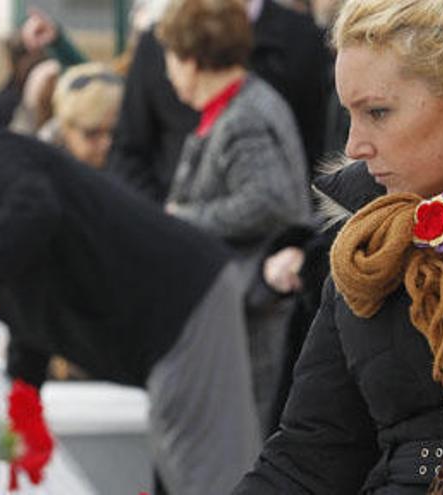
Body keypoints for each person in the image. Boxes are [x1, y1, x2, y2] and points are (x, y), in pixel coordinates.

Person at [0, 130, 261, 494]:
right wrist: (18, 411)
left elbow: (36, 208)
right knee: (185, 473)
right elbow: (33, 325)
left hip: (184, 305)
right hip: (168, 324)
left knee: (211, 479)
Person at [232, 0, 443, 493]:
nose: (353, 146)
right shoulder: (366, 254)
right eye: (350, 114)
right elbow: (310, 458)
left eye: (377, 112)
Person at [158, 0, 312, 437]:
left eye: (169, 57)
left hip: (258, 315)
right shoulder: (241, 104)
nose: (167, 70)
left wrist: (183, 217)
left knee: (246, 443)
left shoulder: (244, 117)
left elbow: (270, 201)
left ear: (191, 59)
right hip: (249, 309)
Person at [108, 0, 327, 202]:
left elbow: (267, 201)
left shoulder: (247, 113)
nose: (170, 75)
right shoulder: (157, 40)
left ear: (191, 63)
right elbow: (127, 151)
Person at [42, 62, 124, 169]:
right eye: (92, 133)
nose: (106, 144)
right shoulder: (41, 173)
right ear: (65, 130)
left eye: (115, 132)